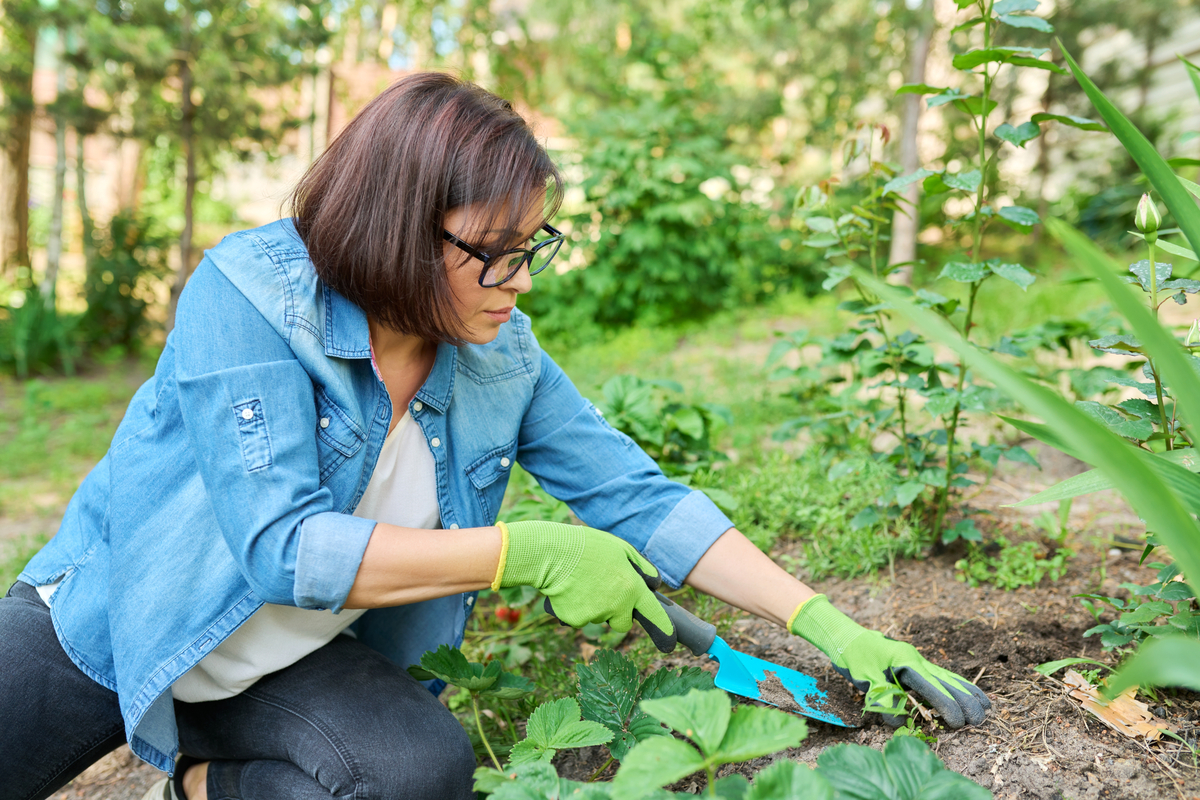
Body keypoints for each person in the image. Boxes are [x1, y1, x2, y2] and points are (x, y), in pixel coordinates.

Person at [0, 73, 989, 800]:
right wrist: (526, 551)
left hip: (287, 662)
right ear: (397, 224)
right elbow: (280, 548)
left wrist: (827, 624)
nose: (520, 283)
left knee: (420, 775)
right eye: (496, 255)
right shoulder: (251, 297)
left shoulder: (498, 352)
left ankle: (201, 784)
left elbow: (640, 498)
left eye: (532, 249)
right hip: (117, 625)